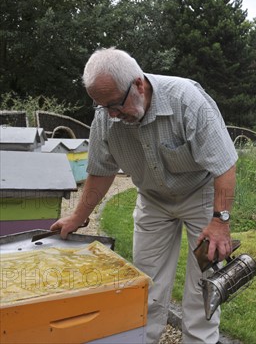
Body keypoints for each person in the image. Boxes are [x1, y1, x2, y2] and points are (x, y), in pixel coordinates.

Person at [51, 48, 238, 344]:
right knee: (145, 286)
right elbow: (101, 171)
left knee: (202, 289)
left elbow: (225, 166)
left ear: (138, 84)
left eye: (115, 104)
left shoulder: (187, 101)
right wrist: (78, 216)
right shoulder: (106, 117)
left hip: (200, 196)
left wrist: (220, 222)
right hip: (153, 199)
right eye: (103, 107)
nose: (112, 114)